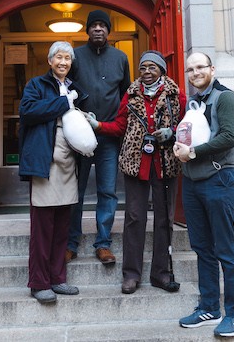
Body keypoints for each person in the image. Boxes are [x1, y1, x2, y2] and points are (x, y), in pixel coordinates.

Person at [86, 51, 186, 294]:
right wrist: (98, 125)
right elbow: (120, 126)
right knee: (134, 218)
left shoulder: (176, 96)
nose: (147, 72)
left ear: (162, 70)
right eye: (143, 68)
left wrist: (172, 132)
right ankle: (131, 275)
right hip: (136, 164)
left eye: (153, 67)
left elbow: (185, 125)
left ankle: (161, 273)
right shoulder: (130, 96)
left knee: (164, 219)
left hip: (165, 164)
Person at [173, 52, 234, 337]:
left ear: (212, 69)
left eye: (200, 67)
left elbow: (228, 137)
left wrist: (192, 152)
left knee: (225, 249)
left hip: (219, 179)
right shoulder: (194, 102)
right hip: (192, 182)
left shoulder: (226, 98)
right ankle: (209, 307)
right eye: (190, 69)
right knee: (202, 247)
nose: (194, 73)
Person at [19, 41, 85, 304]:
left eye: (68, 58)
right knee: (43, 227)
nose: (63, 62)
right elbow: (28, 112)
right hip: (44, 162)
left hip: (68, 161)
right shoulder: (36, 85)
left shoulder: (75, 88)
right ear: (50, 61)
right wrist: (62, 103)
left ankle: (58, 279)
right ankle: (38, 282)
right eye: (59, 57)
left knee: (62, 226)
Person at [67, 9, 131, 265]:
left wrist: (117, 126)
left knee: (107, 191)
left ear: (108, 30)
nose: (97, 29)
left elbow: (126, 95)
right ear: (87, 30)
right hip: (79, 137)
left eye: (102, 26)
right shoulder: (75, 56)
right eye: (93, 25)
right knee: (76, 191)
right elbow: (65, 91)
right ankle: (71, 242)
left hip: (108, 137)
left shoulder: (120, 58)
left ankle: (103, 243)